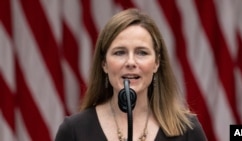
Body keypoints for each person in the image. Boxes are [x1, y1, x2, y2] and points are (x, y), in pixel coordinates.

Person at [55, 8, 207, 141]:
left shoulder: (187, 130)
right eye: (120, 52)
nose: (131, 62)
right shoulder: (74, 131)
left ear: (156, 63)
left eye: (142, 52)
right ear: (104, 64)